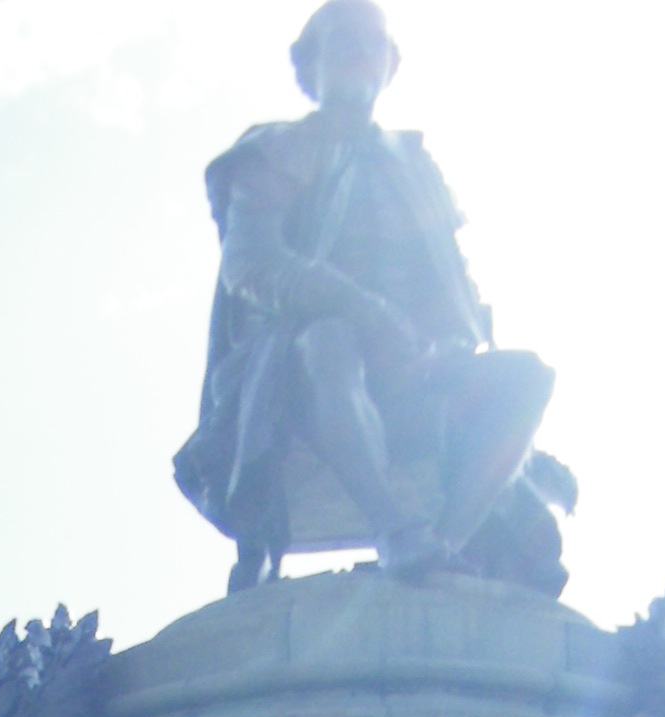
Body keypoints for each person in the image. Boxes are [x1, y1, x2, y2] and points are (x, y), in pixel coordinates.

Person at [176, 0, 566, 594]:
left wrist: (448, 342)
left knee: (526, 378)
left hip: (408, 369)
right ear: (309, 64)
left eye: (373, 42)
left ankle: (442, 545)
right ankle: (395, 529)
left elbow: (450, 286)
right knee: (329, 342)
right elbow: (251, 264)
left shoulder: (415, 166)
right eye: (343, 39)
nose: (360, 51)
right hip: (291, 369)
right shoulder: (275, 150)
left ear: (391, 63)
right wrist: (363, 309)